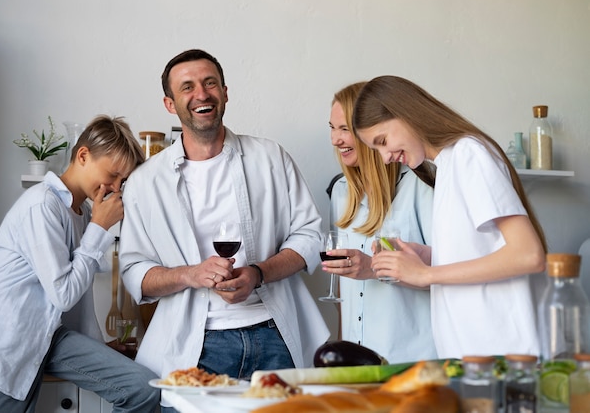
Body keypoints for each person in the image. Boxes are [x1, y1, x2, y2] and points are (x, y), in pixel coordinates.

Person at [119, 49, 329, 410]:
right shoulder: (144, 183)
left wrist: (258, 273)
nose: (201, 94)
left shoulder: (270, 157)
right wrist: (190, 274)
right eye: (187, 87)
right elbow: (135, 274)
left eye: (209, 83)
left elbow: (310, 236)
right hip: (196, 346)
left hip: (275, 336)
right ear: (170, 104)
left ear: (225, 92)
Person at [0, 115, 160, 413]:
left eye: (123, 181)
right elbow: (63, 294)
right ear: (83, 156)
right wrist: (99, 227)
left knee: (143, 388)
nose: (116, 188)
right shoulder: (42, 205)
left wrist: (96, 347)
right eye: (113, 174)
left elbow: (75, 297)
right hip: (6, 346)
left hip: (48, 337)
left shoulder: (80, 212)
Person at [352, 75, 547, 359]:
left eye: (382, 141)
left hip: (505, 355)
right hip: (474, 357)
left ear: (406, 113)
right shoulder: (446, 167)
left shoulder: (469, 154)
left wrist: (426, 274)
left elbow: (528, 255)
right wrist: (429, 256)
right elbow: (483, 250)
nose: (384, 157)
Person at [324, 82, 437, 363]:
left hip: (411, 359)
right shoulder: (341, 192)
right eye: (332, 128)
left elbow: (449, 274)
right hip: (356, 362)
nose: (335, 140)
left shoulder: (420, 188)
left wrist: (375, 269)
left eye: (344, 129)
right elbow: (342, 290)